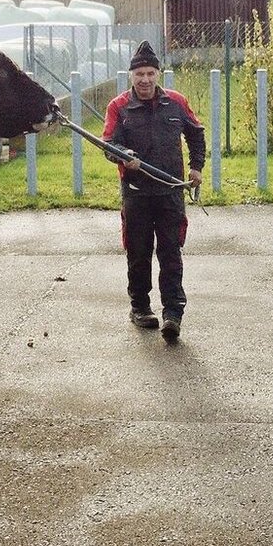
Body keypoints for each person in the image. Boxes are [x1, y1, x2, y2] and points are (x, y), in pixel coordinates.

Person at [102, 41, 206, 342]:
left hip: (170, 192)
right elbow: (109, 143)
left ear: (158, 74)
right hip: (136, 194)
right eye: (139, 74)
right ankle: (140, 307)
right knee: (139, 253)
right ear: (131, 76)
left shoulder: (175, 102)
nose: (145, 80)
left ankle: (173, 313)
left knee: (171, 253)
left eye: (150, 73)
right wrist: (124, 155)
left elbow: (196, 133)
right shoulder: (118, 107)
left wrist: (196, 167)